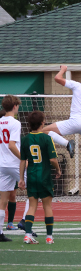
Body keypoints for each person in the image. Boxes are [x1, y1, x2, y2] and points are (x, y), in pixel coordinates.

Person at [19, 111, 61, 244]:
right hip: (44, 177)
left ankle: (27, 234)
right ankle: (49, 237)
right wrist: (58, 170)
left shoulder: (25, 139)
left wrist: (21, 179)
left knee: (32, 206)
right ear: (42, 123)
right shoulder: (47, 138)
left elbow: (22, 161)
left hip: (31, 176)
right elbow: (53, 159)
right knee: (47, 206)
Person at [0, 96, 22, 242]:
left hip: (2, 164)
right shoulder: (15, 123)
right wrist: (23, 159)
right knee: (36, 190)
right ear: (14, 106)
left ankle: (0, 232)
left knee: (2, 200)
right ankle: (26, 222)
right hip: (14, 163)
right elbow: (12, 145)